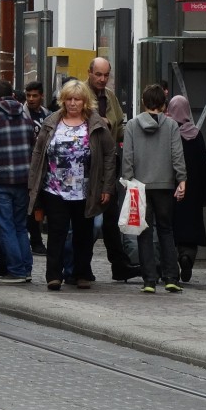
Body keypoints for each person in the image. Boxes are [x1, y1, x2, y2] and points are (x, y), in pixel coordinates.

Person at [28, 79, 116, 291]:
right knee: (57, 232)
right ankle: (54, 275)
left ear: (85, 101)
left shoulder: (95, 124)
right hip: (54, 188)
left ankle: (81, 274)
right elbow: (38, 153)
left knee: (83, 234)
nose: (73, 103)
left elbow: (109, 156)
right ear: (63, 101)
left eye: (77, 99)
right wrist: (34, 184)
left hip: (85, 189)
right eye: (69, 99)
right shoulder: (51, 122)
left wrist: (106, 187)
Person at [122, 84, 188, 293]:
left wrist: (128, 180)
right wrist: (181, 179)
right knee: (166, 230)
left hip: (139, 186)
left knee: (144, 232)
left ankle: (149, 279)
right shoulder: (171, 126)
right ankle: (171, 277)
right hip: (165, 185)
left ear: (143, 102)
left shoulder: (132, 125)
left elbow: (128, 156)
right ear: (164, 104)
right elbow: (177, 154)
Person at [87, 56, 143, 281]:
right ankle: (78, 265)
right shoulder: (80, 94)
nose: (102, 79)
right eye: (98, 74)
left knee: (110, 217)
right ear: (89, 72)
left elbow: (119, 127)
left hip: (109, 163)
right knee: (89, 220)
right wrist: (101, 122)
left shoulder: (110, 97)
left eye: (106, 75)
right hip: (86, 164)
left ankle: (119, 265)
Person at [0, 77, 37, 283]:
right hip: (23, 180)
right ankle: (26, 268)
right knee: (21, 226)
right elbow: (32, 148)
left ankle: (16, 271)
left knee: (6, 227)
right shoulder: (26, 117)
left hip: (0, 180)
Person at [168, 95, 206, 282]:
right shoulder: (195, 134)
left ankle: (172, 263)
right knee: (191, 227)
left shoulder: (167, 131)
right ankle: (187, 256)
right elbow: (204, 165)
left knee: (171, 228)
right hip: (193, 190)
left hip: (171, 188)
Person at [23, 80, 50, 254]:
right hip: (28, 166)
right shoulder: (22, 114)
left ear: (41, 96)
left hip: (45, 166)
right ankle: (35, 239)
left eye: (34, 95)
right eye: (28, 95)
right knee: (30, 205)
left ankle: (37, 238)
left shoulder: (48, 115)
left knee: (40, 205)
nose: (31, 99)